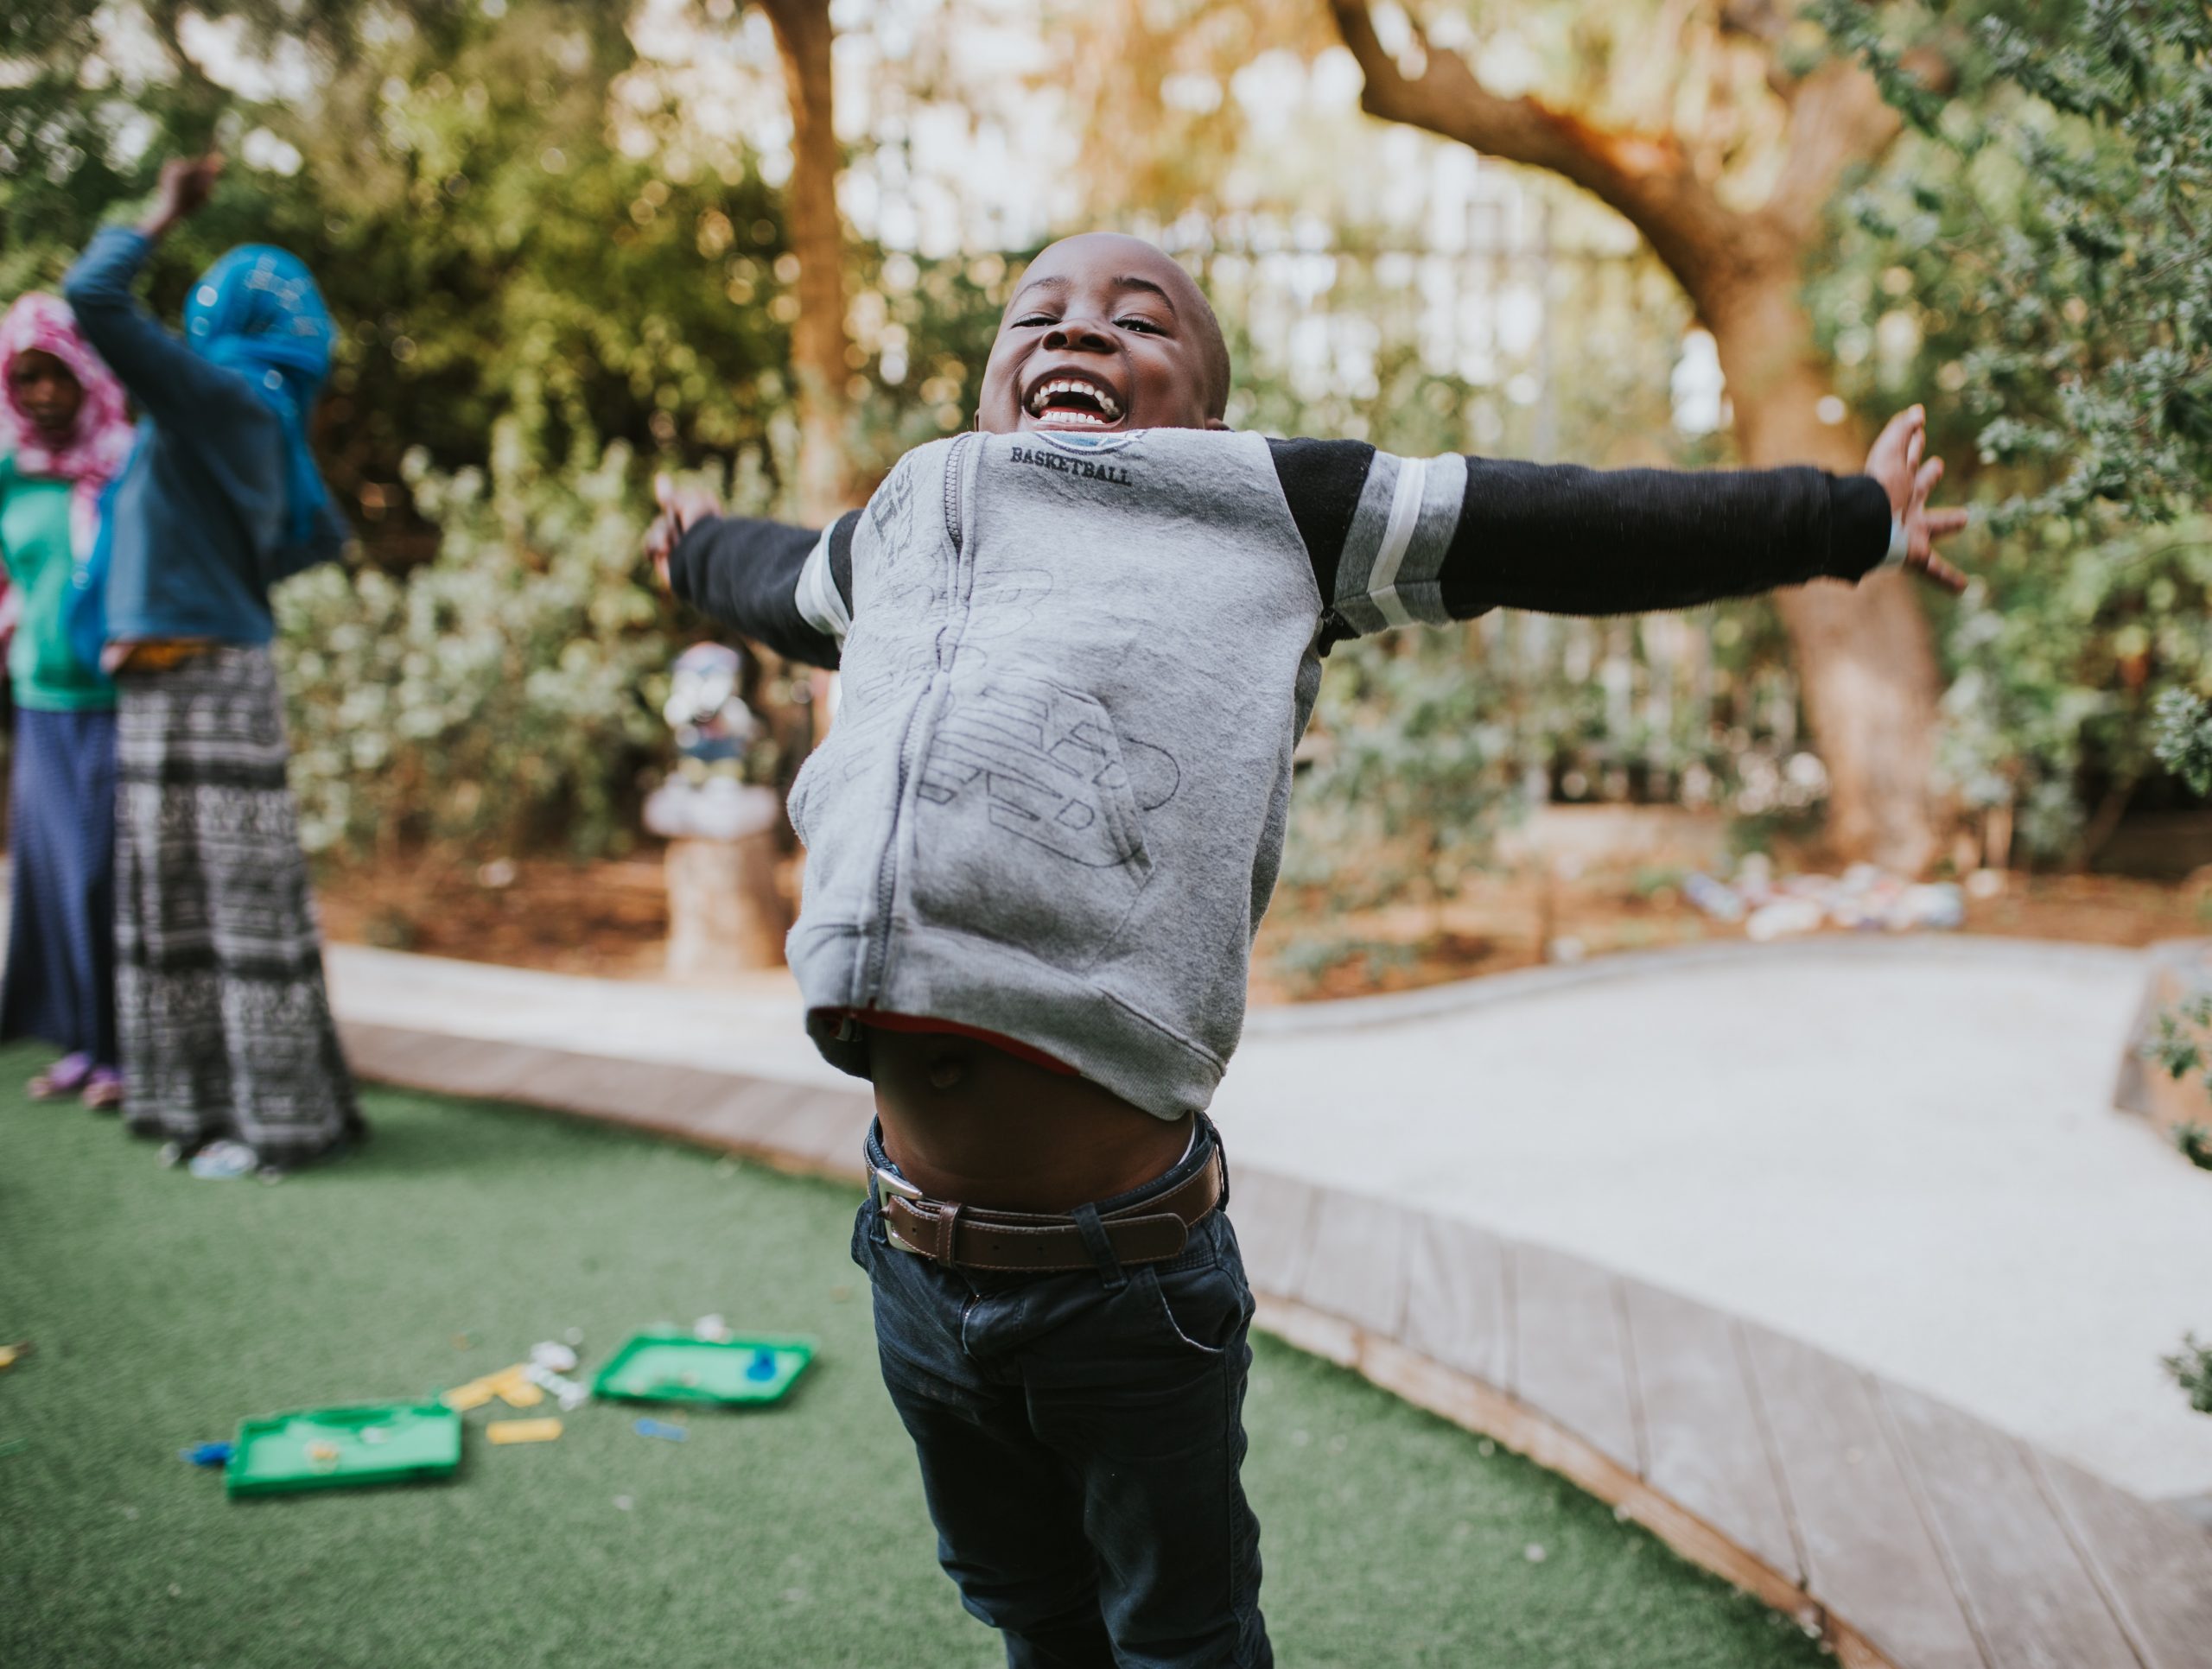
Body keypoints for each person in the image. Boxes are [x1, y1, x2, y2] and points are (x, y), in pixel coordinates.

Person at [647, 232, 1969, 1668]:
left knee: (1180, 1633)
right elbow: (777, 578)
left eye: (1136, 320)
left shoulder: (1266, 503)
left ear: (1208, 417)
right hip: (907, 1247)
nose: (1077, 331)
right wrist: (694, 547)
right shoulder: (915, 516)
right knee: (1023, 1603)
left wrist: (1843, 518)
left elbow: (1561, 523)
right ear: (986, 390)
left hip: (1124, 1275)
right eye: (1038, 315)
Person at [63, 155, 362, 1175]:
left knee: (233, 911)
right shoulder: (242, 412)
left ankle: (275, 1124)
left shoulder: (223, 398)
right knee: (181, 906)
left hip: (207, 681)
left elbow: (92, 297)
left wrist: (161, 212)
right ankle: (206, 1108)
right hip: (171, 676)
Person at [0, 292, 136, 1108]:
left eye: (57, 375)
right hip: (37, 700)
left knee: (104, 878)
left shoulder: (124, 461)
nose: (45, 393)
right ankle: (81, 1045)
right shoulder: (9, 473)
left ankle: (125, 1048)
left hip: (115, 702)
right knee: (49, 881)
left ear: (86, 374)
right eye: (28, 378)